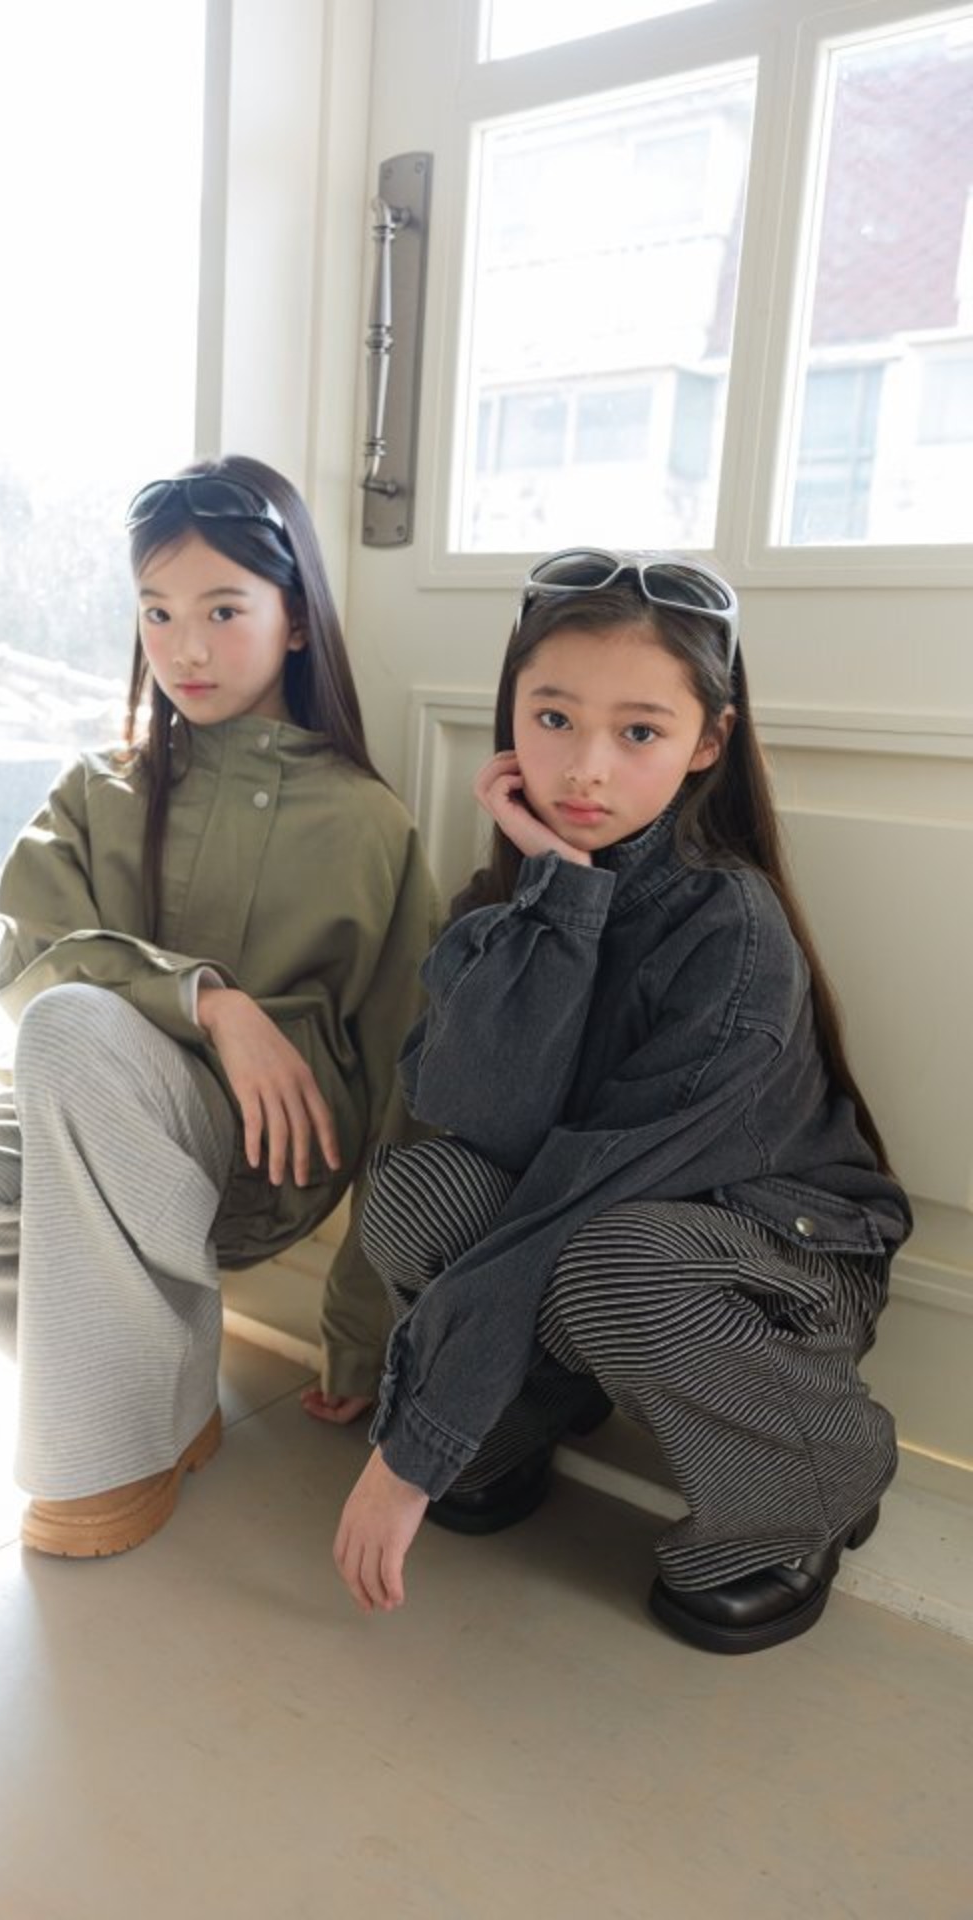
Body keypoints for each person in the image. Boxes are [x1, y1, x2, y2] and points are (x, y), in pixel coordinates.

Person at [0, 453, 436, 1558]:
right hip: (86, 1125)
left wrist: (364, 1329)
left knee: (75, 1023)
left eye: (223, 609)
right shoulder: (97, 787)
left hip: (260, 1168)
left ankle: (106, 1457)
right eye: (157, 612)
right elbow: (29, 963)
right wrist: (210, 1003)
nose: (185, 648)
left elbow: (411, 1081)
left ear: (296, 620)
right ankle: (164, 1391)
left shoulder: (367, 823)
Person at [333, 547, 910, 1654]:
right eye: (552, 718)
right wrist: (558, 899)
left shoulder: (732, 933)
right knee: (418, 1191)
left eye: (638, 732)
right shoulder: (511, 893)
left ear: (708, 742)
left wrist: (412, 1448)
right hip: (600, 1230)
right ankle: (522, 1417)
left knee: (616, 1261)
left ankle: (812, 1480)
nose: (583, 769)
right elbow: (475, 1112)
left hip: (772, 1255)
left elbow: (584, 1196)